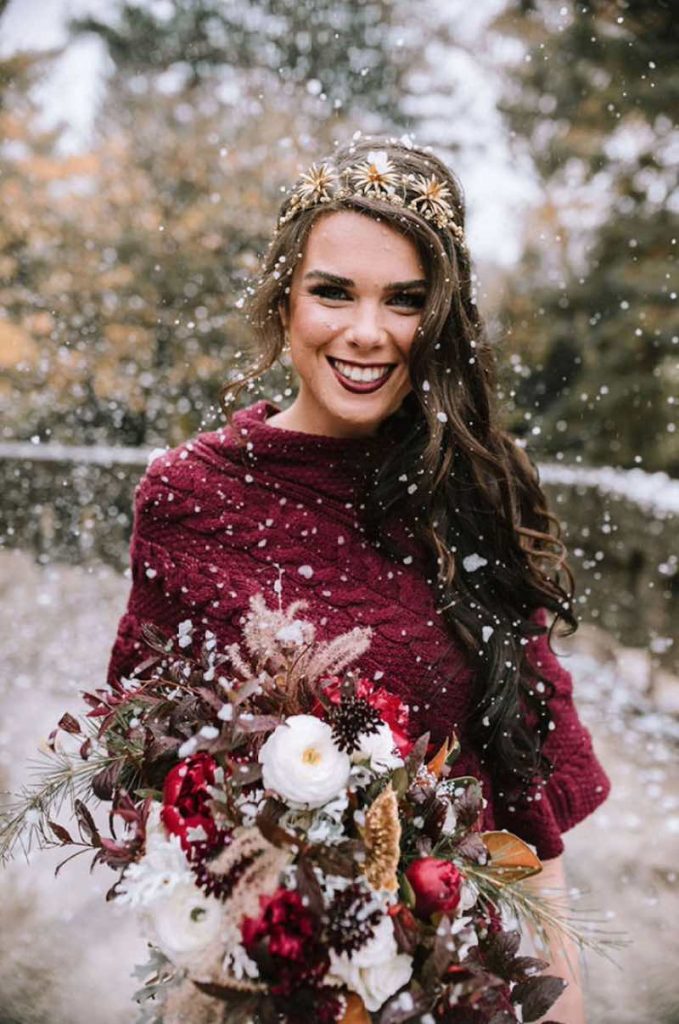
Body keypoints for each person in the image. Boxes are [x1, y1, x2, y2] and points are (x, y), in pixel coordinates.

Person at [106, 136, 610, 1022]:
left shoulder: (472, 490)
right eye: (332, 290)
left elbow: (526, 796)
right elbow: (153, 767)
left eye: (405, 301)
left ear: (441, 319)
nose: (366, 332)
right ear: (283, 299)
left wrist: (562, 1000)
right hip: (260, 984)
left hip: (463, 983)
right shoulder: (191, 497)